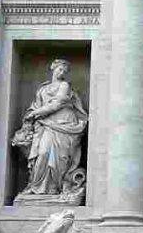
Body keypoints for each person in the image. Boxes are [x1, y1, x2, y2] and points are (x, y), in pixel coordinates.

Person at [12, 59, 87, 200]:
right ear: (53, 69)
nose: (62, 72)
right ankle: (36, 187)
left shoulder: (65, 86)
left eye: (65, 71)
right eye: (60, 69)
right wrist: (32, 114)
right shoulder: (43, 89)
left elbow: (57, 104)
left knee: (60, 157)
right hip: (45, 124)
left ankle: (54, 188)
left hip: (63, 123)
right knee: (43, 152)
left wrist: (36, 113)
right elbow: (35, 106)